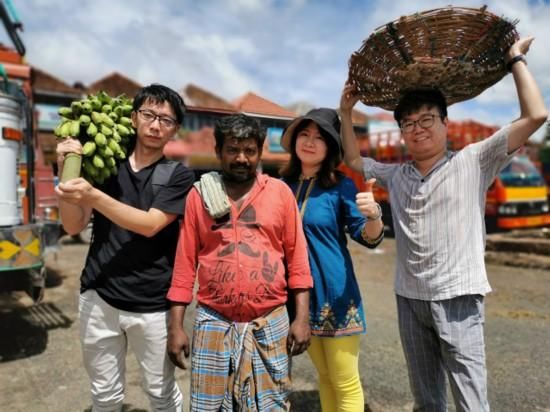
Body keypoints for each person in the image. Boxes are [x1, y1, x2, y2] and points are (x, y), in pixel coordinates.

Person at [339, 37, 548, 411]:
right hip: (409, 298)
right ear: (401, 130)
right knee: (427, 400)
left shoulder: (474, 160)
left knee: (471, 402)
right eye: (408, 123)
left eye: (427, 119)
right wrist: (345, 111)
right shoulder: (396, 174)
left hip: (458, 298)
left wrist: (515, 59)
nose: (417, 129)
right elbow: (354, 160)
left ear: (445, 122)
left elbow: (535, 116)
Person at [56, 84, 194, 412]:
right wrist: (67, 168)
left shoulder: (177, 175)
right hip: (99, 297)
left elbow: (149, 224)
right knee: (104, 395)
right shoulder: (105, 163)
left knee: (161, 394)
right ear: (133, 118)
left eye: (166, 119)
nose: (156, 124)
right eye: (148, 114)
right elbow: (73, 225)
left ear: (174, 130)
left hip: (152, 303)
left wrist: (93, 196)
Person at [167, 114, 313, 411]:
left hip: (270, 320)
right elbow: (184, 263)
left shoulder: (280, 194)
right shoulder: (200, 197)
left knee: (269, 405)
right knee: (209, 406)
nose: (241, 158)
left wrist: (301, 318)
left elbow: (298, 259)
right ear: (218, 151)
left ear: (260, 153)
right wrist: (176, 326)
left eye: (249, 150)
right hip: (213, 320)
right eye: (233, 150)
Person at [279, 108, 384, 411]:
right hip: (296, 298)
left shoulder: (341, 186)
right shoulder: (280, 185)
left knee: (345, 381)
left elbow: (366, 236)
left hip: (335, 292)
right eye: (304, 134)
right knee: (324, 376)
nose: (310, 142)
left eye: (319, 137)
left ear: (330, 147)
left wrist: (375, 215)